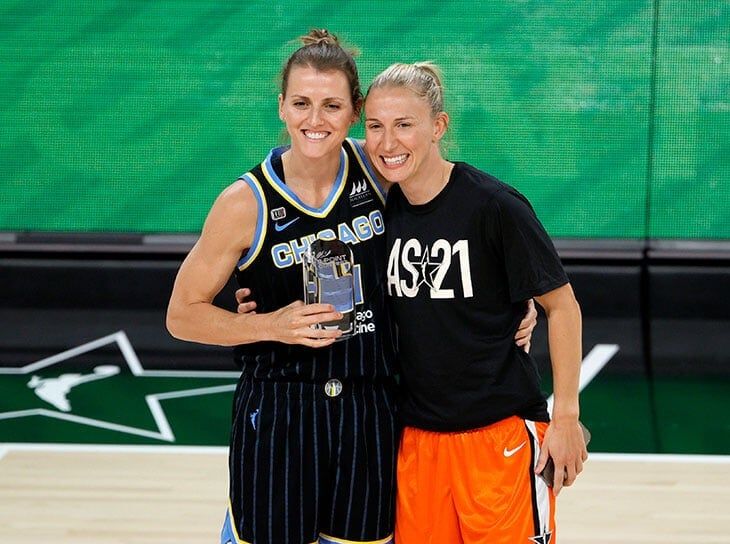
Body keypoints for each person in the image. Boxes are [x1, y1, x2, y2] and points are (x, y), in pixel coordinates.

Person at [170, 29, 536, 544]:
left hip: (369, 407)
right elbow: (182, 314)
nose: (315, 120)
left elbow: (462, 215)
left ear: (354, 112)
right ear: (281, 107)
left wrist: (513, 299)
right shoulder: (245, 202)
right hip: (281, 407)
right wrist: (270, 325)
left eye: (332, 105)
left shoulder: (381, 168)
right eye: (301, 103)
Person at [363, 62, 587, 543]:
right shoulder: (378, 209)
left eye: (404, 125)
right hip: (417, 441)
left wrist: (566, 416)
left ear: (438, 126)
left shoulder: (494, 205)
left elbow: (562, 305)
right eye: (375, 126)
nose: (387, 142)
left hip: (499, 436)